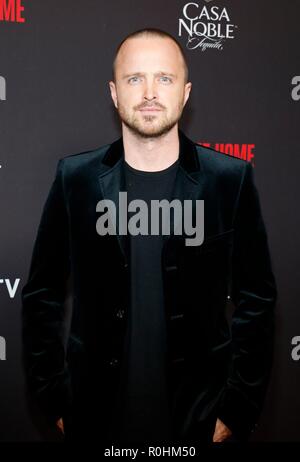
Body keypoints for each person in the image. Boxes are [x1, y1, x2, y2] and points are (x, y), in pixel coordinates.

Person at [21, 28, 277, 444]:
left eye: (165, 78)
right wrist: (53, 398)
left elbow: (257, 300)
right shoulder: (75, 179)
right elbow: (41, 294)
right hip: (95, 416)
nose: (150, 92)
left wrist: (237, 407)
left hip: (197, 416)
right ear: (114, 92)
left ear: (186, 92)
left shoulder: (229, 181)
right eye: (135, 78)